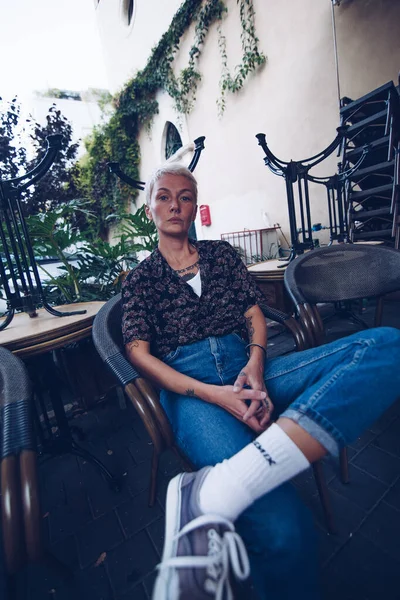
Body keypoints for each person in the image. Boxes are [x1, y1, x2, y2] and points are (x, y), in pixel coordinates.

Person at [121, 162, 400, 600]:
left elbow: (253, 313)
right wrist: (215, 394)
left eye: (185, 196)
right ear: (151, 207)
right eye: (164, 196)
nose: (175, 204)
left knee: (385, 345)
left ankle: (224, 487)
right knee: (286, 531)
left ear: (195, 207)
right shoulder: (140, 279)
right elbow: (138, 353)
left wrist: (254, 365)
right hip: (191, 389)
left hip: (247, 365)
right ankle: (251, 473)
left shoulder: (221, 257)